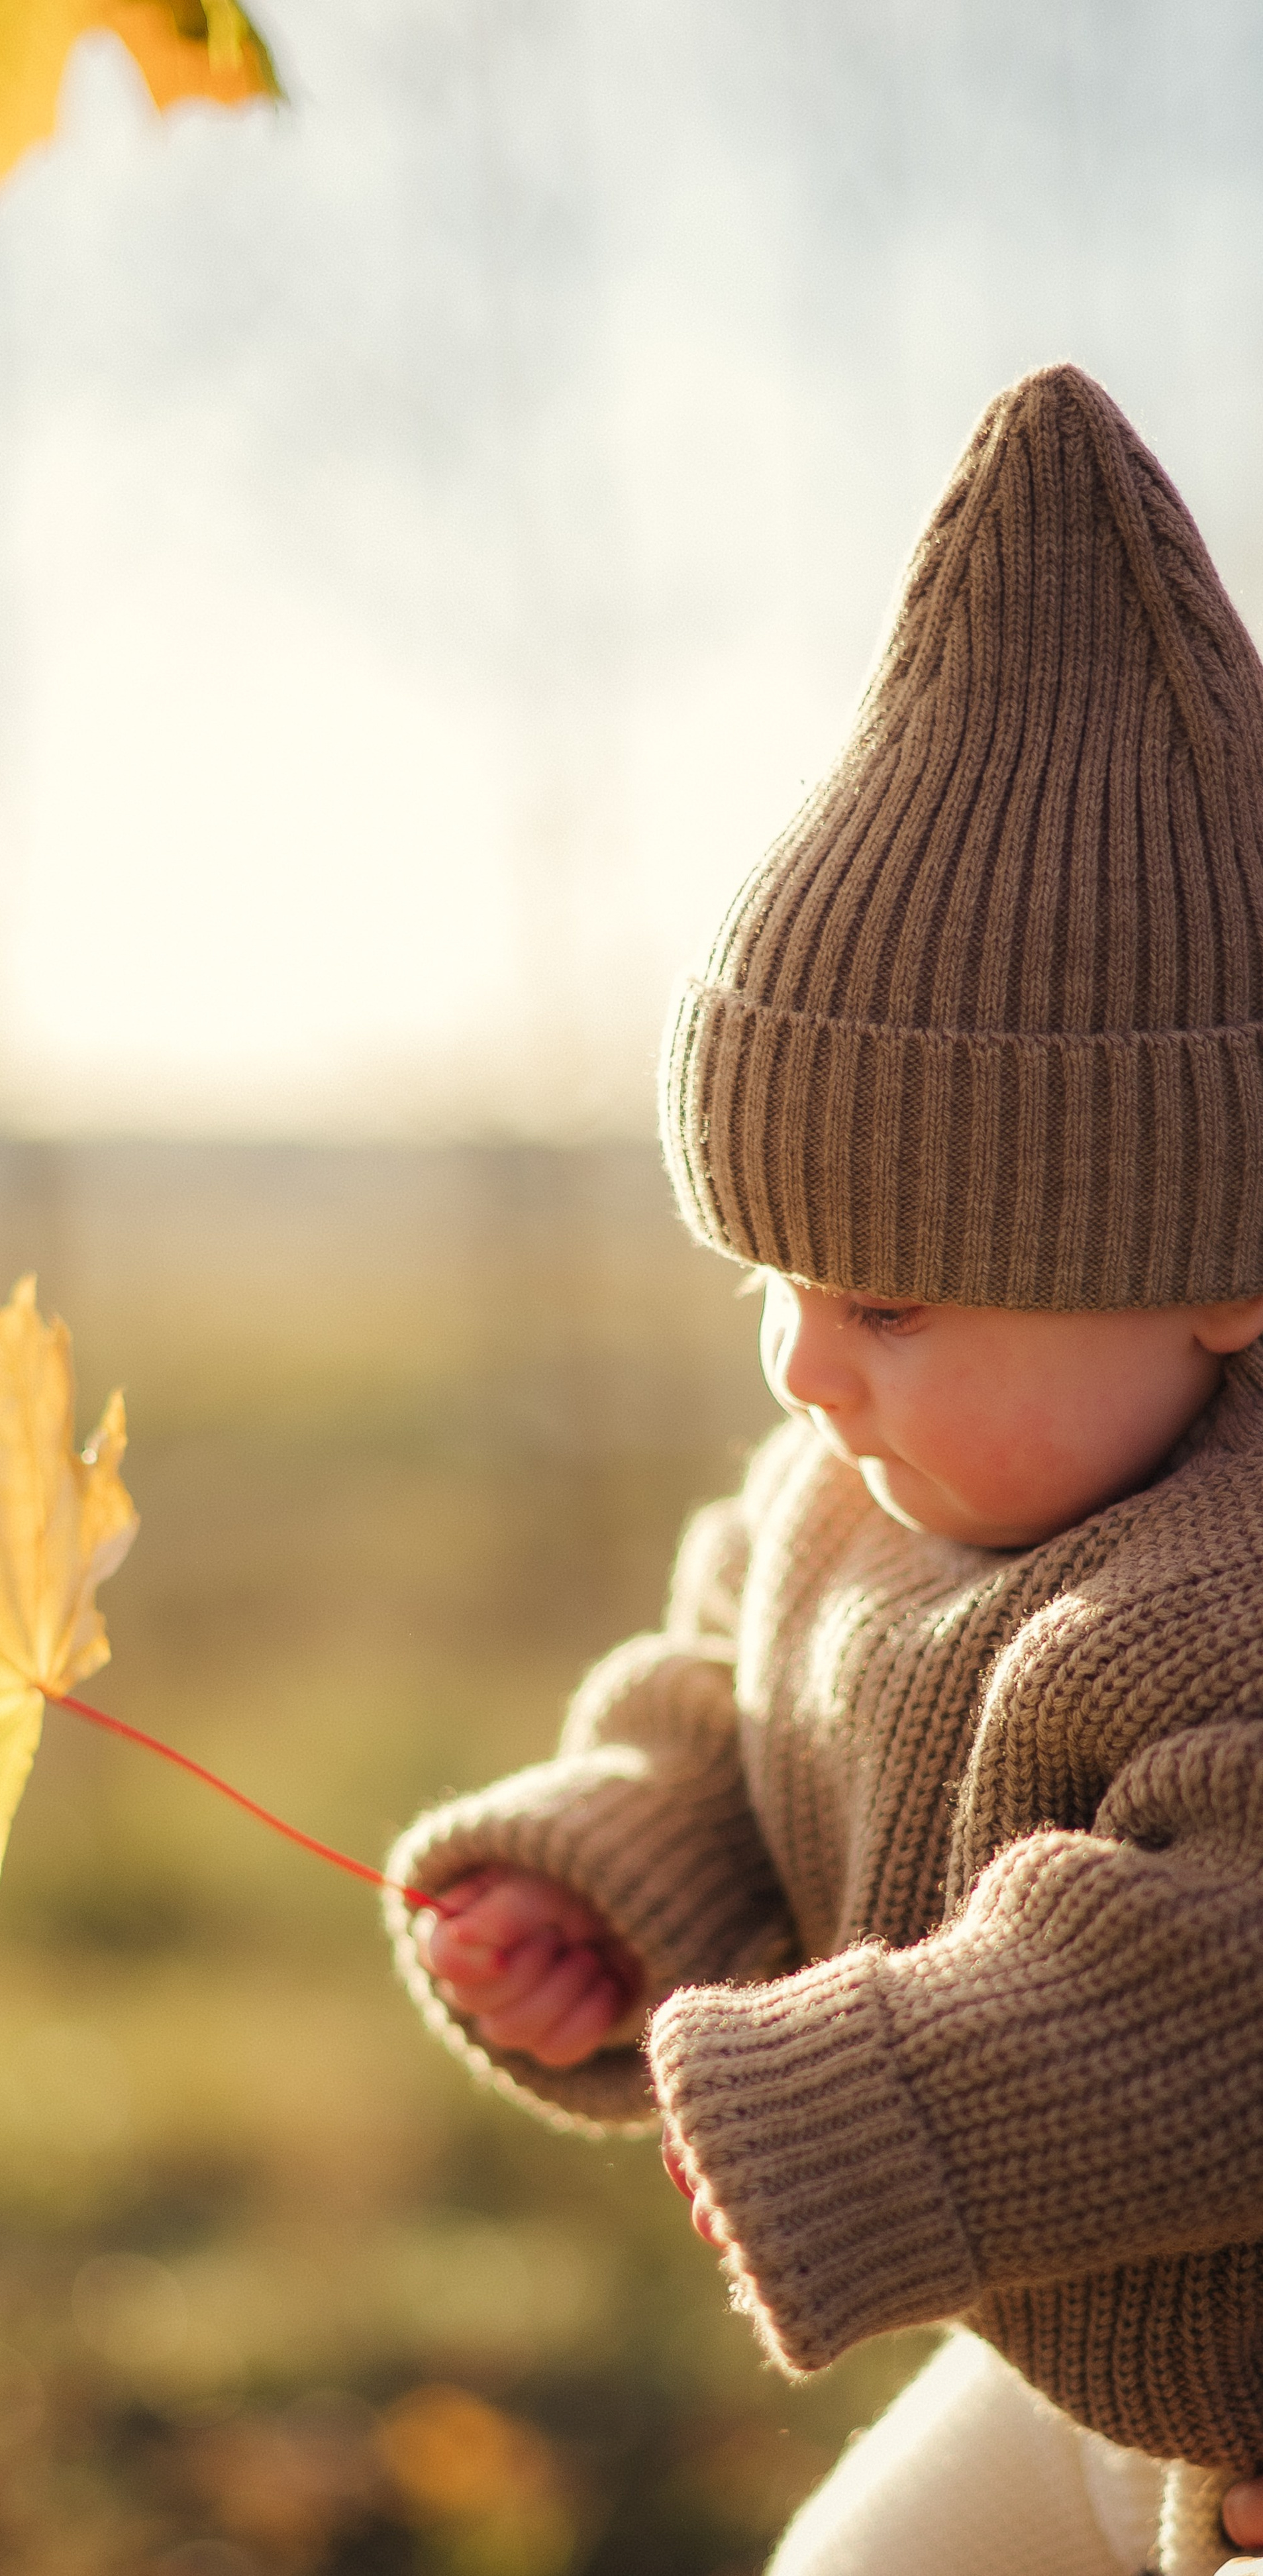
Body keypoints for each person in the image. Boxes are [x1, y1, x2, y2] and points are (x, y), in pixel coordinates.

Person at [385, 364, 1263, 2576]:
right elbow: (741, 1687)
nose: (802, 1366)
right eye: (771, 1274)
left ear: (1215, 1271)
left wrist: (877, 2096)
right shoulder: (863, 1492)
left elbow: (1207, 1960)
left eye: (890, 1304)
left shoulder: (1227, 1590)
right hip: (1094, 2366)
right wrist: (618, 1881)